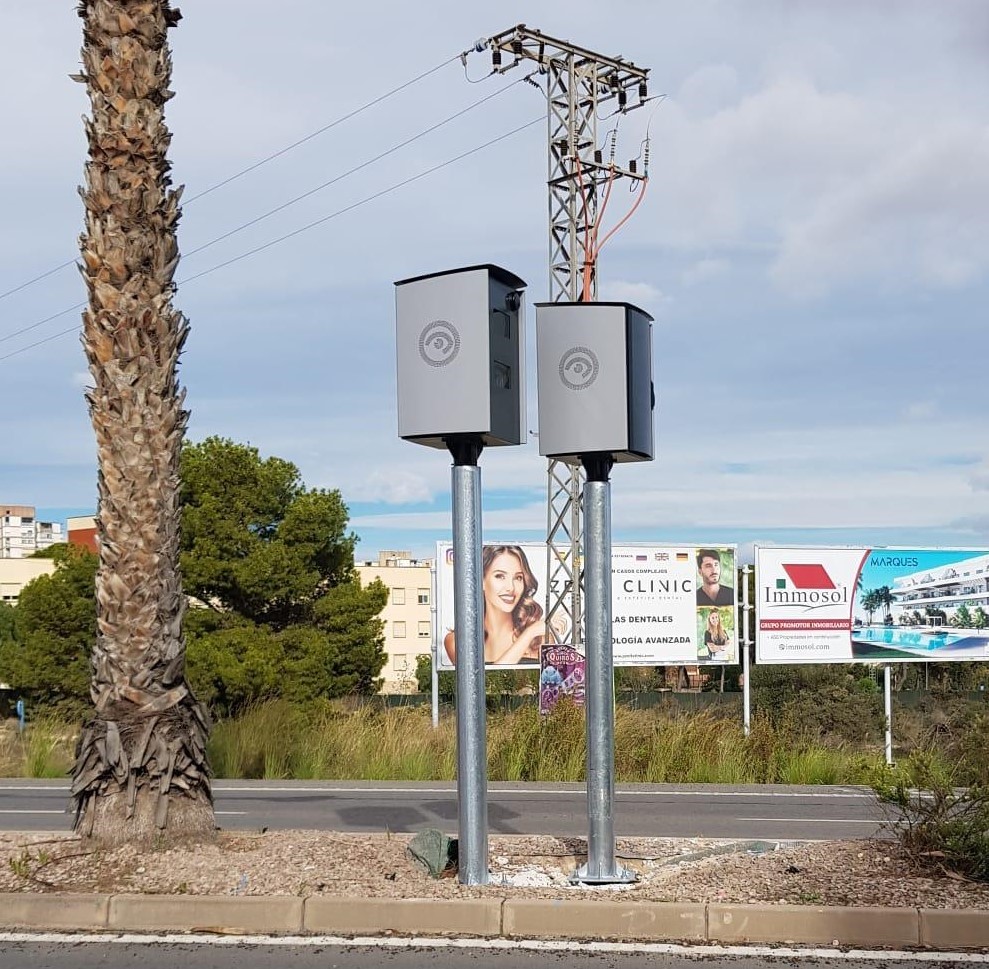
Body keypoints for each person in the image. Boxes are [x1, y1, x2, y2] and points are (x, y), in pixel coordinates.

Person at [443, 544, 552, 665]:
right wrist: (528, 635)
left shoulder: (540, 639)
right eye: (500, 576)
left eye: (518, 578)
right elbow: (487, 681)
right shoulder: (457, 641)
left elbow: (556, 681)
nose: (511, 588)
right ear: (481, 581)